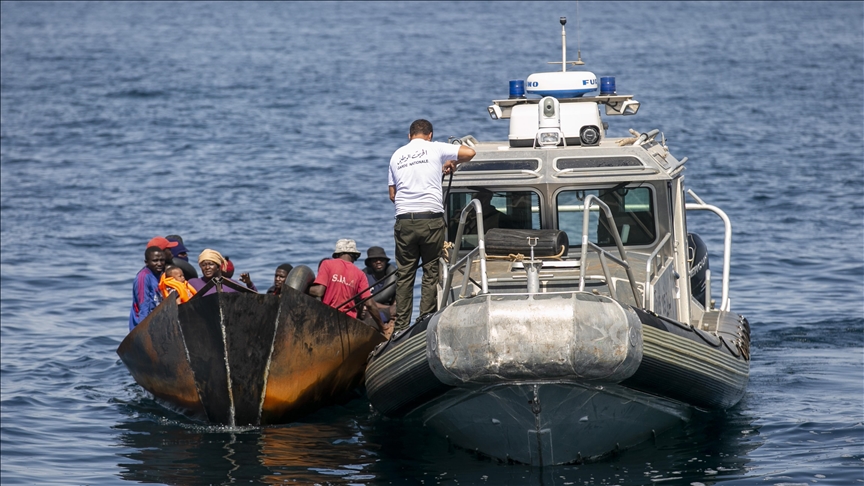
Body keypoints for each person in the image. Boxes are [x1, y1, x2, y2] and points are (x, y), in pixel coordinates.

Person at [388, 119, 475, 330]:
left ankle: (401, 327)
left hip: (404, 221)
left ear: (409, 136)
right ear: (430, 135)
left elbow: (392, 195)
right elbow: (470, 152)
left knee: (405, 274)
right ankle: (424, 321)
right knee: (430, 271)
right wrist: (451, 162)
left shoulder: (396, 155)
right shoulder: (435, 148)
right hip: (430, 220)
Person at [309, 239, 385, 333]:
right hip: (349, 324)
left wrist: (303, 288)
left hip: (328, 318)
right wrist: (382, 327)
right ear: (354, 256)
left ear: (337, 254)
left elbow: (318, 291)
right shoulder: (360, 274)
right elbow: (369, 304)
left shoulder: (327, 264)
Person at [188, 249, 257, 296]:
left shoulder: (231, 284)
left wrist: (249, 283)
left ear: (218, 267)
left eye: (211, 264)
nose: (207, 267)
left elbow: (254, 299)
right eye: (203, 265)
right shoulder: (192, 283)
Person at [128, 246, 166, 331]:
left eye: (162, 260)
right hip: (142, 324)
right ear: (146, 262)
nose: (159, 263)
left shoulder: (161, 275)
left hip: (156, 323)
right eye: (155, 261)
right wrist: (142, 330)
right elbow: (143, 305)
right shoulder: (143, 277)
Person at [362, 246, 397, 324]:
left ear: (385, 261)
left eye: (381, 259)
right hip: (370, 310)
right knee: (369, 315)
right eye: (374, 260)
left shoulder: (393, 278)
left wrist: (389, 308)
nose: (378, 262)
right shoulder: (364, 277)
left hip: (387, 311)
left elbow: (395, 304)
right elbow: (364, 302)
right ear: (370, 263)